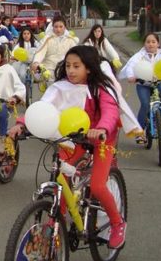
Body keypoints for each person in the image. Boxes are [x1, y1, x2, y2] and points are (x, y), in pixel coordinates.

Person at [9, 45, 128, 249]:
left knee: (98, 186)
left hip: (101, 140)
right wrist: (22, 123)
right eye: (68, 66)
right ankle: (56, 221)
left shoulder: (101, 88)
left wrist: (101, 129)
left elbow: (110, 112)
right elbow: (44, 107)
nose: (71, 70)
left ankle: (117, 224)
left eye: (76, 66)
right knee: (59, 179)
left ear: (89, 68)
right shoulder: (60, 87)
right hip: (72, 138)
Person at [119, 32, 161, 144]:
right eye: (148, 42)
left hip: (158, 83)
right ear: (144, 44)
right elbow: (131, 66)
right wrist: (131, 76)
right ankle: (140, 132)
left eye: (153, 42)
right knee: (145, 104)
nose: (151, 44)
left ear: (158, 44)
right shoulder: (139, 55)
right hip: (143, 84)